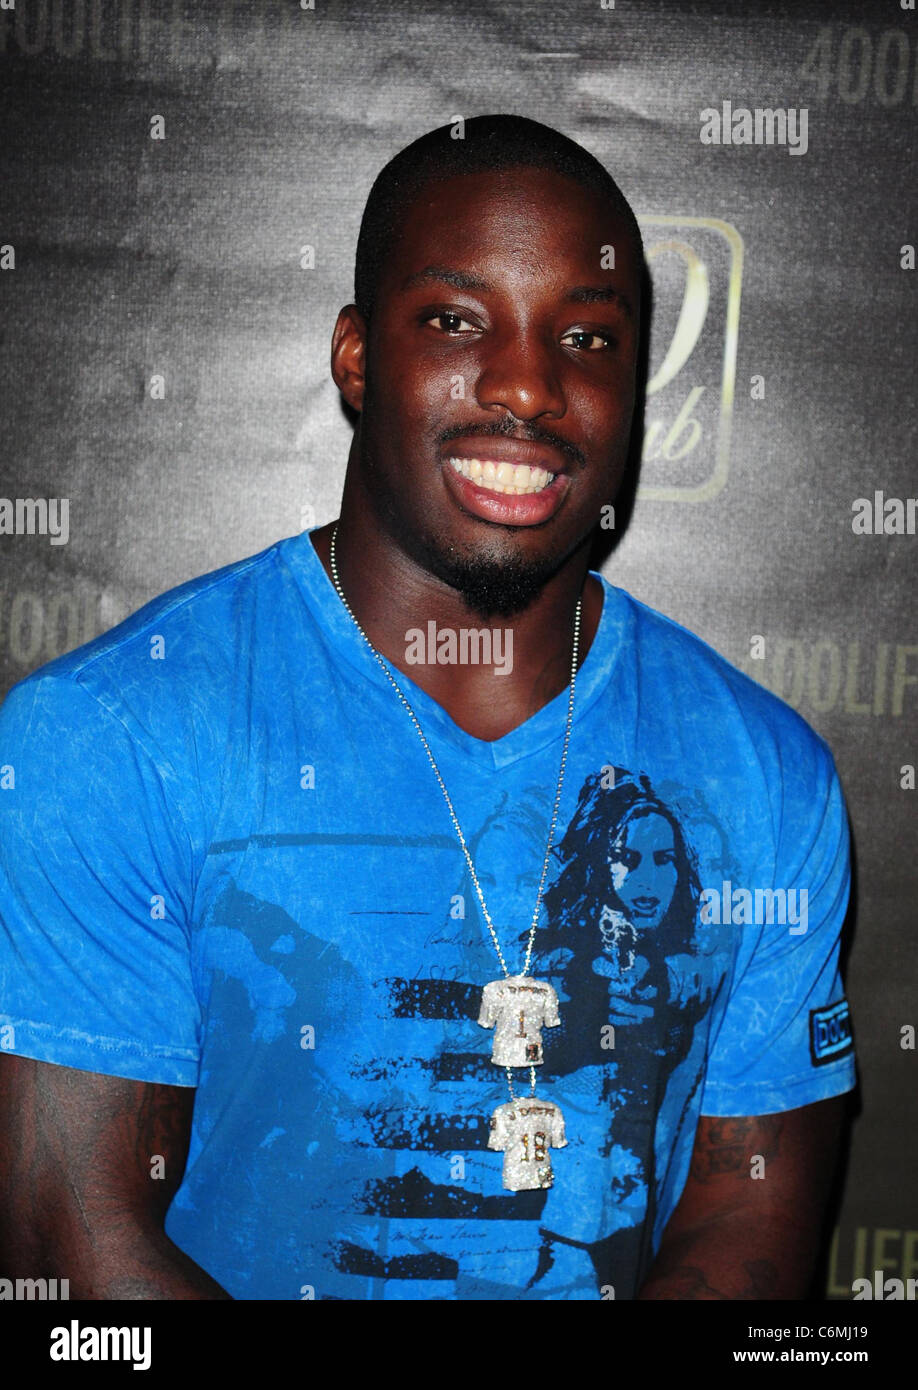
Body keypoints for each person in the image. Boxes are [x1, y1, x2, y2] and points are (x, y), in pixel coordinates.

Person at [0, 114, 855, 1301]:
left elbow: (748, 1220)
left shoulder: (765, 775)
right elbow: (74, 1243)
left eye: (587, 336)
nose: (525, 385)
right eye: (456, 321)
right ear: (357, 358)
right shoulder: (108, 737)